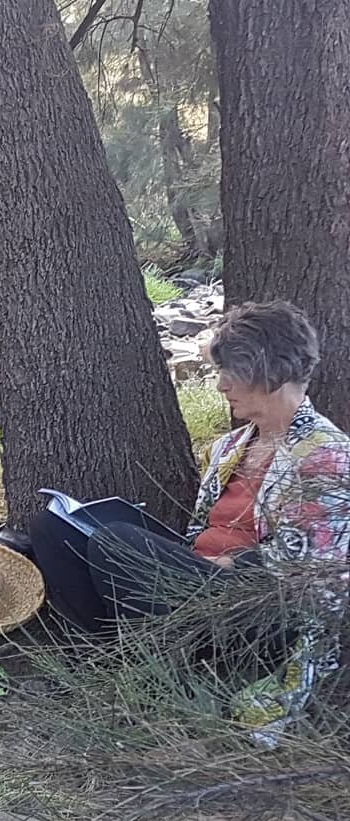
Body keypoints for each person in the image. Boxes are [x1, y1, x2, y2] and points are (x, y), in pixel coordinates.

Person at [28, 301, 350, 739]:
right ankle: (111, 664)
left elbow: (313, 571)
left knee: (117, 543)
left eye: (230, 373)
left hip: (257, 611)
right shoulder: (230, 447)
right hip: (199, 581)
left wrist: (227, 564)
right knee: (55, 528)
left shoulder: (326, 455)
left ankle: (157, 678)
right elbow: (200, 533)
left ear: (266, 371)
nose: (221, 385)